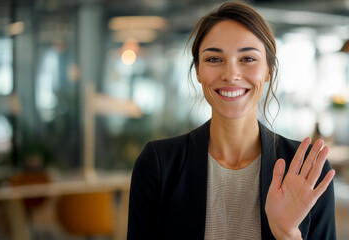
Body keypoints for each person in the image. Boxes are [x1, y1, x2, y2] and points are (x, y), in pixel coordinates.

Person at [127, 2, 336, 239]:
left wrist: (287, 234)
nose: (231, 74)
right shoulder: (158, 165)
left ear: (268, 70)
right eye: (214, 59)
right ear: (197, 70)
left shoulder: (306, 172)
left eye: (247, 58)